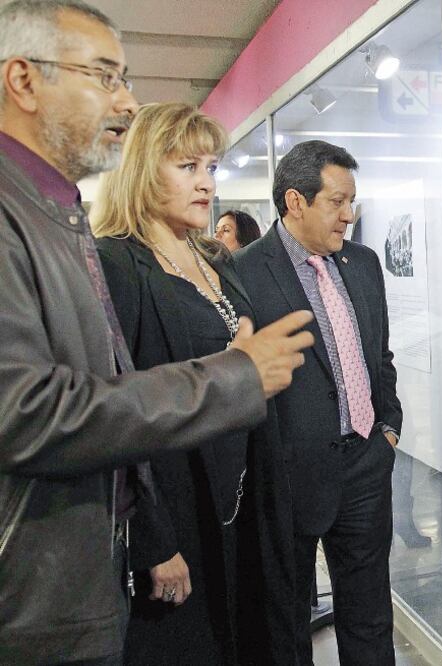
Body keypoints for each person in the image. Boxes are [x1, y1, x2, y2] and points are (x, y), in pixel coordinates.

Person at [0, 3, 313, 664]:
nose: (126, 98)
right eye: (105, 76)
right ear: (23, 81)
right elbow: (38, 410)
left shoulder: (71, 222)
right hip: (71, 580)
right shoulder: (94, 250)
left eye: (211, 168)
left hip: (203, 524)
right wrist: (235, 375)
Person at [92, 102, 293, 664]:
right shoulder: (117, 265)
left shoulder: (216, 261)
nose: (207, 184)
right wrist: (153, 543)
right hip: (180, 511)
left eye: (211, 168)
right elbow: (115, 413)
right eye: (188, 168)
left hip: (246, 499)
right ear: (141, 172)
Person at [234, 140, 403, 666]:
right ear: (295, 202)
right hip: (288, 480)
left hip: (365, 467)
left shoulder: (364, 263)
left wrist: (388, 429)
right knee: (285, 627)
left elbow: (380, 355)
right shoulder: (244, 273)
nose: (349, 216)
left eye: (352, 202)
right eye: (337, 202)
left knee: (370, 618)